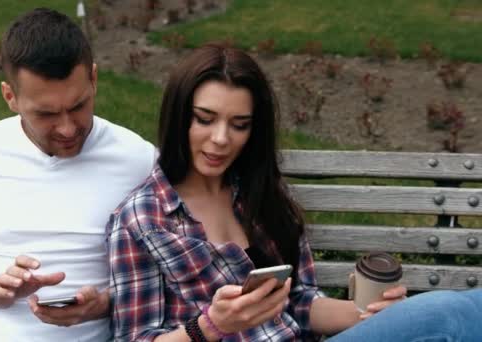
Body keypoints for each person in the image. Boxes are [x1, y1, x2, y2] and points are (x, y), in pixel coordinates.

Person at [107, 44, 482, 342]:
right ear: (179, 116)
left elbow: (300, 303)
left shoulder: (258, 195)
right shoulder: (142, 218)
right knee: (444, 316)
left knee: (469, 307)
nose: (221, 139)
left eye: (239, 125)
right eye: (205, 119)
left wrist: (369, 315)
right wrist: (210, 326)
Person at [0, 8, 156, 341]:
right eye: (46, 113)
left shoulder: (138, 159)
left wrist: (105, 304)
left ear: (94, 78)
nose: (67, 127)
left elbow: (168, 274)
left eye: (78, 105)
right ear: (10, 97)